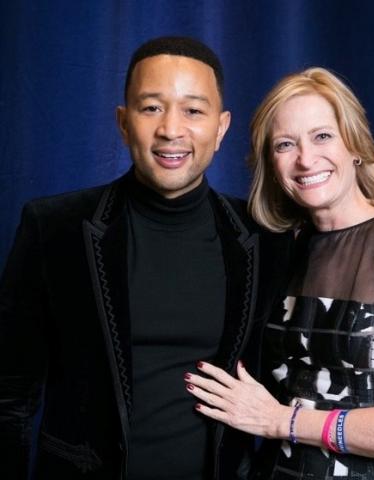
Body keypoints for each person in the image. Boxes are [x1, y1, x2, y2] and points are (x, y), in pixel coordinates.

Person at [0, 36, 292, 480]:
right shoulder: (53, 227)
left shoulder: (265, 238)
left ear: (221, 126)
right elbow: (9, 395)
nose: (171, 129)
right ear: (122, 122)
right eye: (151, 107)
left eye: (193, 110)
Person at [185, 67, 374, 479]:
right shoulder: (279, 248)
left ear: (354, 145)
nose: (305, 159)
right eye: (285, 144)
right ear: (271, 162)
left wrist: (280, 420)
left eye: (322, 136)